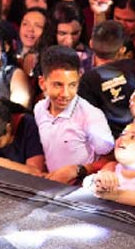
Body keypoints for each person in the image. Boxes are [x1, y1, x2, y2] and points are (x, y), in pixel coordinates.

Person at [33, 45, 115, 184]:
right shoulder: (39, 109)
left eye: (72, 85)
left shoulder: (91, 116)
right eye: (58, 85)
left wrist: (77, 170)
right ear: (42, 83)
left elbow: (111, 159)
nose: (65, 94)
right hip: (51, 188)